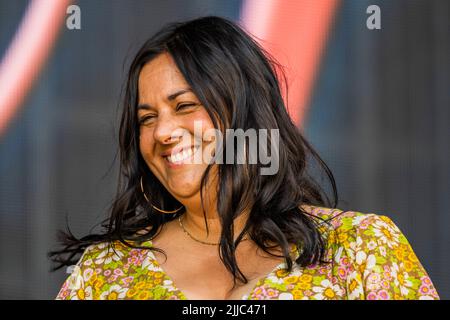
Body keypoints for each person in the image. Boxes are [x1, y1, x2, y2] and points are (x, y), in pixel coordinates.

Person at [51, 16, 439, 300]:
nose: (163, 133)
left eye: (184, 106)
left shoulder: (362, 249)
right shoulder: (102, 273)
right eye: (147, 119)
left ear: (245, 113)